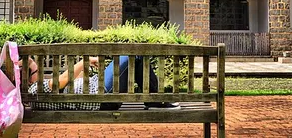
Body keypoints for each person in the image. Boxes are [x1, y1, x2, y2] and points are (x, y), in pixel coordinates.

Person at [27, 56, 179, 110]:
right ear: (27, 80)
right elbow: (61, 81)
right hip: (101, 96)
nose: (39, 72)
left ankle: (154, 100)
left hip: (99, 92)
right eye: (35, 70)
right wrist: (85, 61)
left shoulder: (37, 91)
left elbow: (68, 82)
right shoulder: (34, 90)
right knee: (135, 54)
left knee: (136, 57)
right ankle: (156, 100)